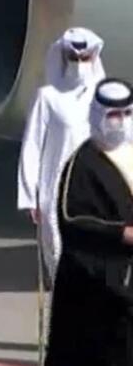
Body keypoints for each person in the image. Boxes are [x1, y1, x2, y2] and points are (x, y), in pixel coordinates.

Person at [45, 78, 133, 366]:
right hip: (94, 288)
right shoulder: (83, 163)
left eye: (127, 114)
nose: (120, 122)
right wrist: (122, 234)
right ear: (98, 114)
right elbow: (73, 219)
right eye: (113, 115)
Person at [17, 27, 106, 284]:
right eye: (74, 58)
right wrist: (30, 196)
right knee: (58, 255)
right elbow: (32, 146)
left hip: (96, 191)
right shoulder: (48, 97)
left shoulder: (104, 98)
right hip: (55, 190)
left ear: (94, 57)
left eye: (84, 58)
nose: (79, 64)